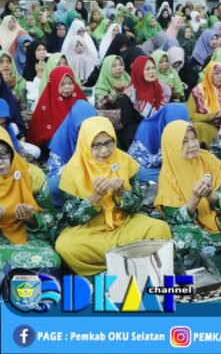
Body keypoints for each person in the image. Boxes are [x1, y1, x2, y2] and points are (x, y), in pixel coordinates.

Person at [55, 117, 172, 276]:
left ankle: (125, 265)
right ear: (85, 143)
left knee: (159, 229)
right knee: (65, 247)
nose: (104, 151)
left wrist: (120, 194)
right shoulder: (72, 171)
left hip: (124, 224)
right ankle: (114, 268)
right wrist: (95, 198)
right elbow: (71, 217)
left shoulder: (124, 161)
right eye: (97, 145)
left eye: (109, 143)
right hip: (90, 231)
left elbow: (137, 204)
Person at [156, 120, 221, 268]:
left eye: (194, 138)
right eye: (184, 141)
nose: (193, 144)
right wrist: (194, 199)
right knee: (182, 236)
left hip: (217, 219)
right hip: (192, 227)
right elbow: (175, 219)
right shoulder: (167, 175)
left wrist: (210, 195)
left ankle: (218, 243)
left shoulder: (209, 160)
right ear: (172, 146)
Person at [0, 128, 60, 271]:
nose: (0, 162)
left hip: (30, 237)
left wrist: (32, 218)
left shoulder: (32, 175)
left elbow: (52, 217)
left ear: (12, 153)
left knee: (52, 261)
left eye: (3, 154)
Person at [46, 101, 98, 207]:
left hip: (96, 178)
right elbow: (55, 172)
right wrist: (79, 170)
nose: (85, 133)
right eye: (80, 128)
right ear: (73, 124)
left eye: (89, 127)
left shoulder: (99, 135)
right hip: (72, 178)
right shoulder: (60, 141)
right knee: (54, 184)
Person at [26, 67, 86, 154]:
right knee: (52, 146)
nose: (67, 87)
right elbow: (40, 131)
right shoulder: (46, 102)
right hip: (54, 140)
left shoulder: (79, 98)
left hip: (77, 137)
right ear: (54, 84)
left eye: (70, 83)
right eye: (62, 84)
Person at [127, 103, 190, 184]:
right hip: (152, 169)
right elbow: (140, 163)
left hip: (174, 169)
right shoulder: (147, 129)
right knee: (139, 174)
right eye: (173, 126)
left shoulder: (187, 128)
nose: (176, 130)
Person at [118, 56, 171, 149]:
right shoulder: (130, 95)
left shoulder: (162, 89)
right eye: (147, 69)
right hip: (142, 135)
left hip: (162, 130)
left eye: (153, 68)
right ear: (138, 71)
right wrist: (149, 129)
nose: (152, 71)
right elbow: (128, 126)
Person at [187, 61, 221, 147]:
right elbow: (191, 115)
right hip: (210, 127)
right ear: (209, 75)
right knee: (197, 127)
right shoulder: (198, 92)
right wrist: (211, 116)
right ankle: (216, 147)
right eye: (216, 73)